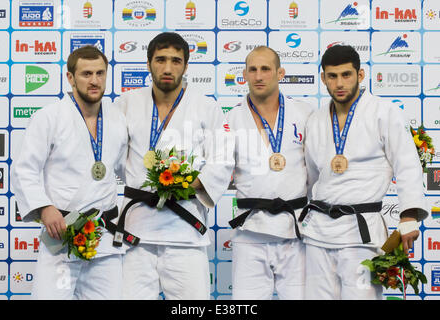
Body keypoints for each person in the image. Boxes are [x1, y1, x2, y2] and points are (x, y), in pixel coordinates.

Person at [300, 45, 428, 300]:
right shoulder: (315, 120)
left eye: (346, 75)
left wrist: (409, 216)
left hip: (361, 235)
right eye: (332, 76)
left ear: (360, 75)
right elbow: (312, 178)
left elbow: (407, 164)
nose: (339, 83)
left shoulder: (384, 112)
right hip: (318, 235)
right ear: (323, 78)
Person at [116, 32, 234, 300]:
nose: (167, 68)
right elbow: (109, 155)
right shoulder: (126, 104)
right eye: (160, 60)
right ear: (148, 64)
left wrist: (191, 182)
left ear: (186, 65)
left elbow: (224, 157)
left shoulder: (206, 106)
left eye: (175, 60)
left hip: (184, 233)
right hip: (136, 234)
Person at [11, 45, 128, 300]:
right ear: (70, 77)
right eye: (86, 74)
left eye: (100, 73)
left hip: (104, 239)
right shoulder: (49, 117)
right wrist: (43, 208)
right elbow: (24, 169)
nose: (94, 81)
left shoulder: (118, 119)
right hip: (61, 236)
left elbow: (127, 170)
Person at [226, 46, 314, 299]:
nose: (259, 75)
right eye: (252, 70)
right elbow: (215, 173)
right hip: (250, 230)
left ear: (280, 73)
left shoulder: (305, 113)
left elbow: (318, 169)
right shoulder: (231, 119)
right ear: (244, 74)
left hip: (295, 229)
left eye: (265, 69)